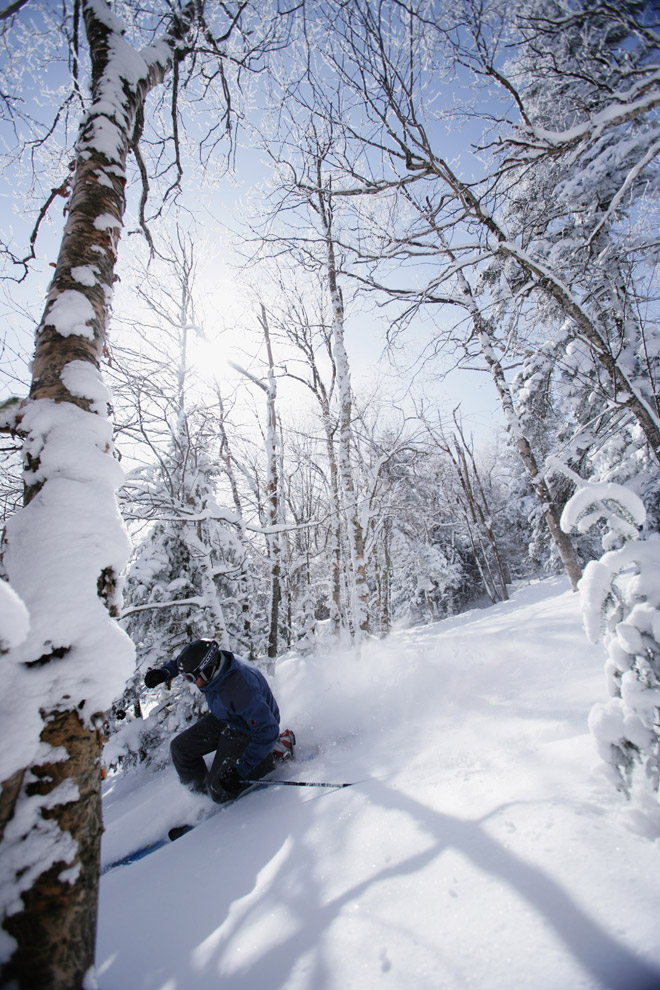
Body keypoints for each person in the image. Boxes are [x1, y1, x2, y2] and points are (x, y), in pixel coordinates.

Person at [144, 639, 294, 803]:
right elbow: (188, 661)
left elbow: (268, 730)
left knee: (219, 790)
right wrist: (165, 673)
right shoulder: (211, 663)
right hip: (227, 716)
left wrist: (239, 771)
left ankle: (275, 752)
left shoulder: (240, 689)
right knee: (180, 749)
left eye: (192, 677)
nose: (192, 682)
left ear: (208, 670)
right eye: (188, 677)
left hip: (249, 730)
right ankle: (202, 799)